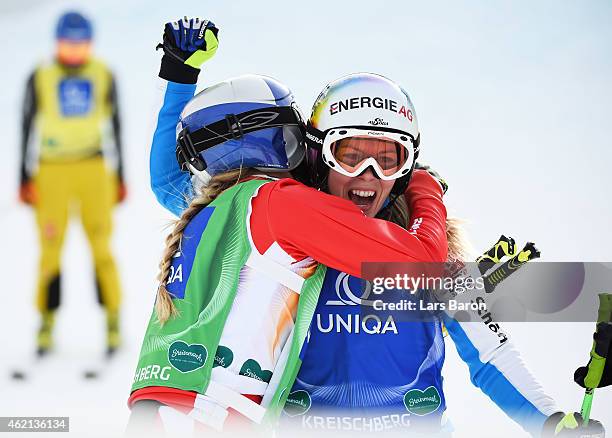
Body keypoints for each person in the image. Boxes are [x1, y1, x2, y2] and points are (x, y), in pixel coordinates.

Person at [145, 17, 606, 438]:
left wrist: (551, 423)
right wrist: (180, 82)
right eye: (351, 155)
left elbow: (491, 358)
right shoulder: (281, 230)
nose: (369, 175)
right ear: (318, 154)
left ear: (408, 167)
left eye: (388, 159)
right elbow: (176, 186)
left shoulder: (433, 247)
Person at [126, 17, 448, 435]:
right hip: (213, 419)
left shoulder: (223, 206)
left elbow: (167, 179)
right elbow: (423, 265)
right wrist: (423, 187)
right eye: (290, 135)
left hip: (163, 412)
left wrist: (177, 76)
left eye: (387, 161)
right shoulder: (282, 207)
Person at [19, 11, 126, 356]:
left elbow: (117, 124)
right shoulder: (41, 75)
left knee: (101, 246)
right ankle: (46, 321)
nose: (75, 50)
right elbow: (26, 124)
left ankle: (112, 320)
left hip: (93, 166)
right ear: (58, 42)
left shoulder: (103, 74)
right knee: (50, 249)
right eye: (69, 43)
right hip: (51, 169)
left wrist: (121, 175)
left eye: (81, 43)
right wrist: (24, 176)